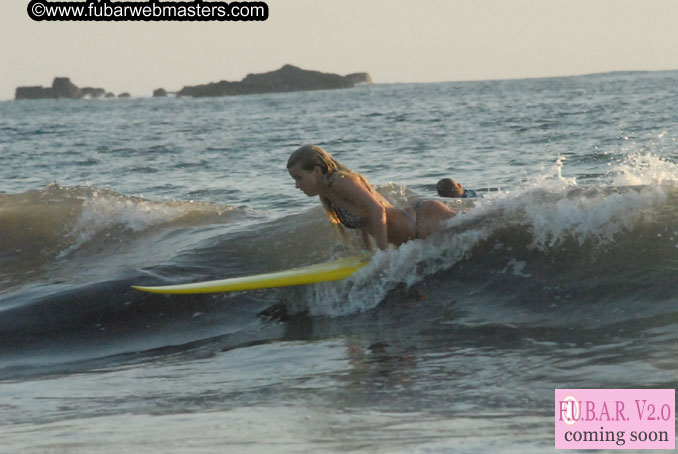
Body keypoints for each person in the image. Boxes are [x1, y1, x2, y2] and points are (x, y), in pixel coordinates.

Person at [287, 145, 456, 250]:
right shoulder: (327, 194)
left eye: (299, 178)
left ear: (317, 170)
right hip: (413, 233)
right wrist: (366, 252)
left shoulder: (339, 182)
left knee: (479, 224)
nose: (297, 185)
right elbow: (362, 220)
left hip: (424, 220)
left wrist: (382, 256)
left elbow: (376, 210)